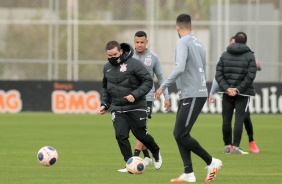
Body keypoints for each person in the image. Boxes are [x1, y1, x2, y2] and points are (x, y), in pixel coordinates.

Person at [155, 14, 222, 183]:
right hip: (193, 92)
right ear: (191, 27)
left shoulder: (182, 42)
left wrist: (163, 86)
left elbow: (179, 68)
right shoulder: (199, 44)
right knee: (180, 134)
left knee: (180, 133)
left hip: (192, 93)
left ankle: (211, 161)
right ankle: (188, 173)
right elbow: (204, 70)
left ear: (177, 28)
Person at [99, 41, 162, 172]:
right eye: (110, 56)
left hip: (136, 106)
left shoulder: (134, 64)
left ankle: (155, 152)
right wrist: (105, 104)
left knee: (141, 135)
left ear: (121, 51)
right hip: (117, 108)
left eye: (115, 54)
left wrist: (135, 94)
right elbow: (106, 88)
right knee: (120, 135)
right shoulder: (107, 68)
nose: (113, 58)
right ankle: (129, 164)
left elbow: (148, 81)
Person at [209, 36, 261, 154]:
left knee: (226, 120)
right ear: (246, 41)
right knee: (239, 119)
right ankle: (236, 148)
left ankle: (228, 146)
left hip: (227, 93)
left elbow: (218, 75)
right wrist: (237, 89)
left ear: (234, 41)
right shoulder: (250, 56)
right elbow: (250, 76)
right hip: (242, 93)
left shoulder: (224, 55)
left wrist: (227, 88)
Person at [132, 31, 171, 166]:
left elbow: (161, 77)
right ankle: (148, 155)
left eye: (142, 42)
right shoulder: (129, 57)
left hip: (147, 97)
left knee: (141, 127)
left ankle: (134, 159)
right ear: (134, 42)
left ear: (146, 42)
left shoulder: (153, 57)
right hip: (132, 97)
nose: (139, 45)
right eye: (137, 42)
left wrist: (166, 96)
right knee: (136, 128)